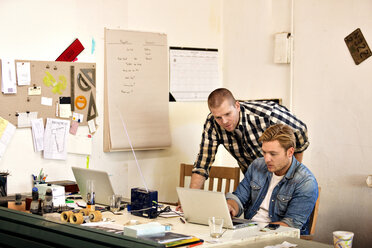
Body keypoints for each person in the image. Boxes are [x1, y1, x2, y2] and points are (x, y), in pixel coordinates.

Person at [190, 88, 309, 190]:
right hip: (254, 183)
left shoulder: (267, 114)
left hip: (282, 180)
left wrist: (292, 174)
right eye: (218, 117)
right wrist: (189, 200)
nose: (224, 121)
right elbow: (202, 164)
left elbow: (300, 130)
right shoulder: (212, 123)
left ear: (237, 106)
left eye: (227, 114)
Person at [226, 124, 318, 235]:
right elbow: (239, 197)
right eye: (264, 152)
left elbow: (291, 225)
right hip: (248, 230)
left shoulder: (306, 182)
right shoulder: (257, 166)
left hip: (278, 237)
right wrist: (231, 206)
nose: (267, 159)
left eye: (273, 154)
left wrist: (258, 231)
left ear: (290, 152)